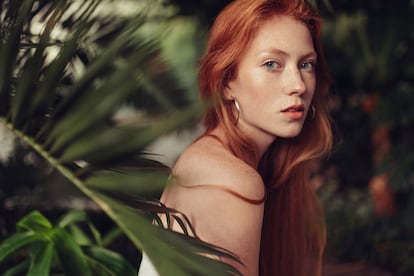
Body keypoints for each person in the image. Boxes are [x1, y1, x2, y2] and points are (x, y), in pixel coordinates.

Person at [139, 0, 332, 275]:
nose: (298, 85)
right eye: (271, 64)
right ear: (227, 81)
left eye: (306, 64)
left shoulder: (212, 155)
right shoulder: (231, 181)